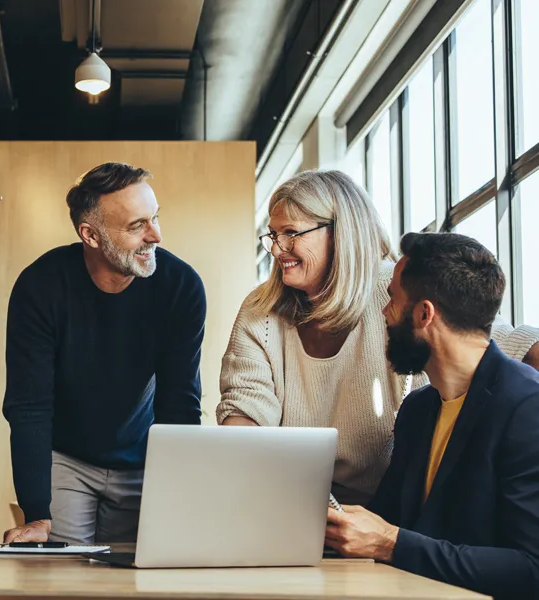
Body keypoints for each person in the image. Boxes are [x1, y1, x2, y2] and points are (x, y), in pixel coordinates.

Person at [217, 170, 539, 506]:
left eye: (291, 233)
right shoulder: (261, 309)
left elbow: (501, 344)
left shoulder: (397, 292)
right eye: (273, 234)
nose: (277, 249)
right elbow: (245, 407)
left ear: (339, 234)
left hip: (389, 509)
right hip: (294, 503)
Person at [325, 232, 539, 599]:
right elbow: (387, 521)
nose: (384, 312)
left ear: (424, 313)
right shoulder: (419, 409)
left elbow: (531, 569)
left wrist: (391, 544)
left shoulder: (528, 407)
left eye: (392, 298)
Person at [2, 162, 206, 545]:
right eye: (137, 226)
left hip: (145, 457)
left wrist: (180, 499)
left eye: (155, 218)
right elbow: (29, 405)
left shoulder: (182, 287)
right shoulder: (40, 286)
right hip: (66, 458)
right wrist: (36, 513)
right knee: (67, 579)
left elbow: (180, 402)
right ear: (90, 235)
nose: (156, 236)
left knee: (132, 580)